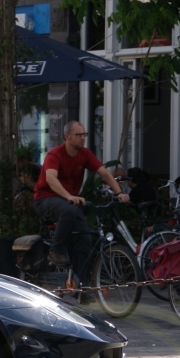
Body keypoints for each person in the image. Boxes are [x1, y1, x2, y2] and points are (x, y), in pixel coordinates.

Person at [32, 120, 130, 286]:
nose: (82, 138)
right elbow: (50, 178)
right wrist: (69, 196)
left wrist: (119, 192)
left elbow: (104, 173)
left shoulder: (85, 154)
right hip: (45, 198)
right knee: (69, 210)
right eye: (78, 135)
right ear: (67, 136)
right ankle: (55, 250)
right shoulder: (55, 155)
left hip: (68, 203)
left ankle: (83, 287)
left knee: (84, 239)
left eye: (84, 135)